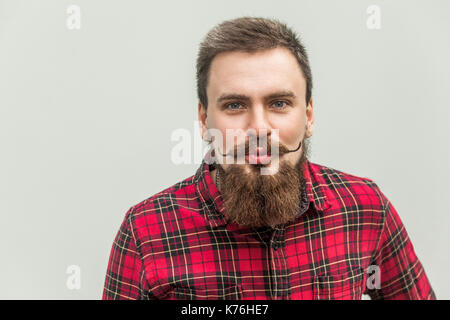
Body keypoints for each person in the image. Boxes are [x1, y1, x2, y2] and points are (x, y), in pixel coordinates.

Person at [102, 16, 435, 300]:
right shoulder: (145, 232)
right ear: (204, 119)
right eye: (234, 105)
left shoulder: (367, 208)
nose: (258, 128)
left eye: (279, 103)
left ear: (308, 115)